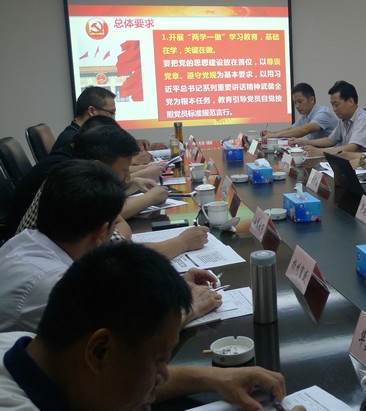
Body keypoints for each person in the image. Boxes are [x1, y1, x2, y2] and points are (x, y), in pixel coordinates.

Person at [0, 243, 303, 411]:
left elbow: (125, 381)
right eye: (159, 361)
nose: (165, 374)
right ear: (100, 351)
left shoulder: (32, 348)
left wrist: (214, 377)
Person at [0, 160, 221, 333]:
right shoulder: (52, 283)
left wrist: (173, 289)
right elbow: (130, 341)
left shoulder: (27, 241)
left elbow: (115, 301)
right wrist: (189, 307)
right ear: (101, 233)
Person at [11, 123, 207, 260]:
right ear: (99, 166)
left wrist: (117, 234)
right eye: (124, 169)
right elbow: (125, 258)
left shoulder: (71, 175)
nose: (128, 177)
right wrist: (183, 242)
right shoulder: (79, 191)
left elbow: (118, 228)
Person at [51, 86, 165, 161]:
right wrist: (133, 160)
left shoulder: (86, 135)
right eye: (111, 113)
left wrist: (138, 147)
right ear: (92, 111)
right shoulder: (72, 140)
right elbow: (100, 171)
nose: (113, 119)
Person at [289, 80, 366, 155]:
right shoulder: (344, 119)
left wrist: (319, 151)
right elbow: (330, 140)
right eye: (332, 105)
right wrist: (303, 142)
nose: (334, 109)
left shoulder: (363, 119)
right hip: (352, 163)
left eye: (336, 104)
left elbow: (352, 148)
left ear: (350, 101)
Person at [262, 82, 338, 140]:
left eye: (300, 101)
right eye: (295, 102)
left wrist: (275, 135)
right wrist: (272, 133)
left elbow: (305, 130)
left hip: (333, 152)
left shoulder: (323, 113)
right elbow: (292, 129)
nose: (297, 106)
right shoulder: (305, 116)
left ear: (311, 100)